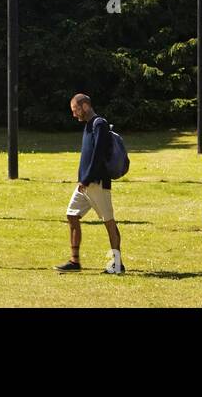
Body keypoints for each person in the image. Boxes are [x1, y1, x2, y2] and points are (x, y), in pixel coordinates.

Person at [55, 93, 125, 274]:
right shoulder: (88, 126)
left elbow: (98, 155)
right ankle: (74, 261)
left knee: (108, 222)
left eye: (76, 110)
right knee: (71, 214)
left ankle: (117, 264)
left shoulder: (99, 124)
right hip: (85, 184)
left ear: (85, 106)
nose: (74, 114)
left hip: (97, 183)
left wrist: (86, 179)